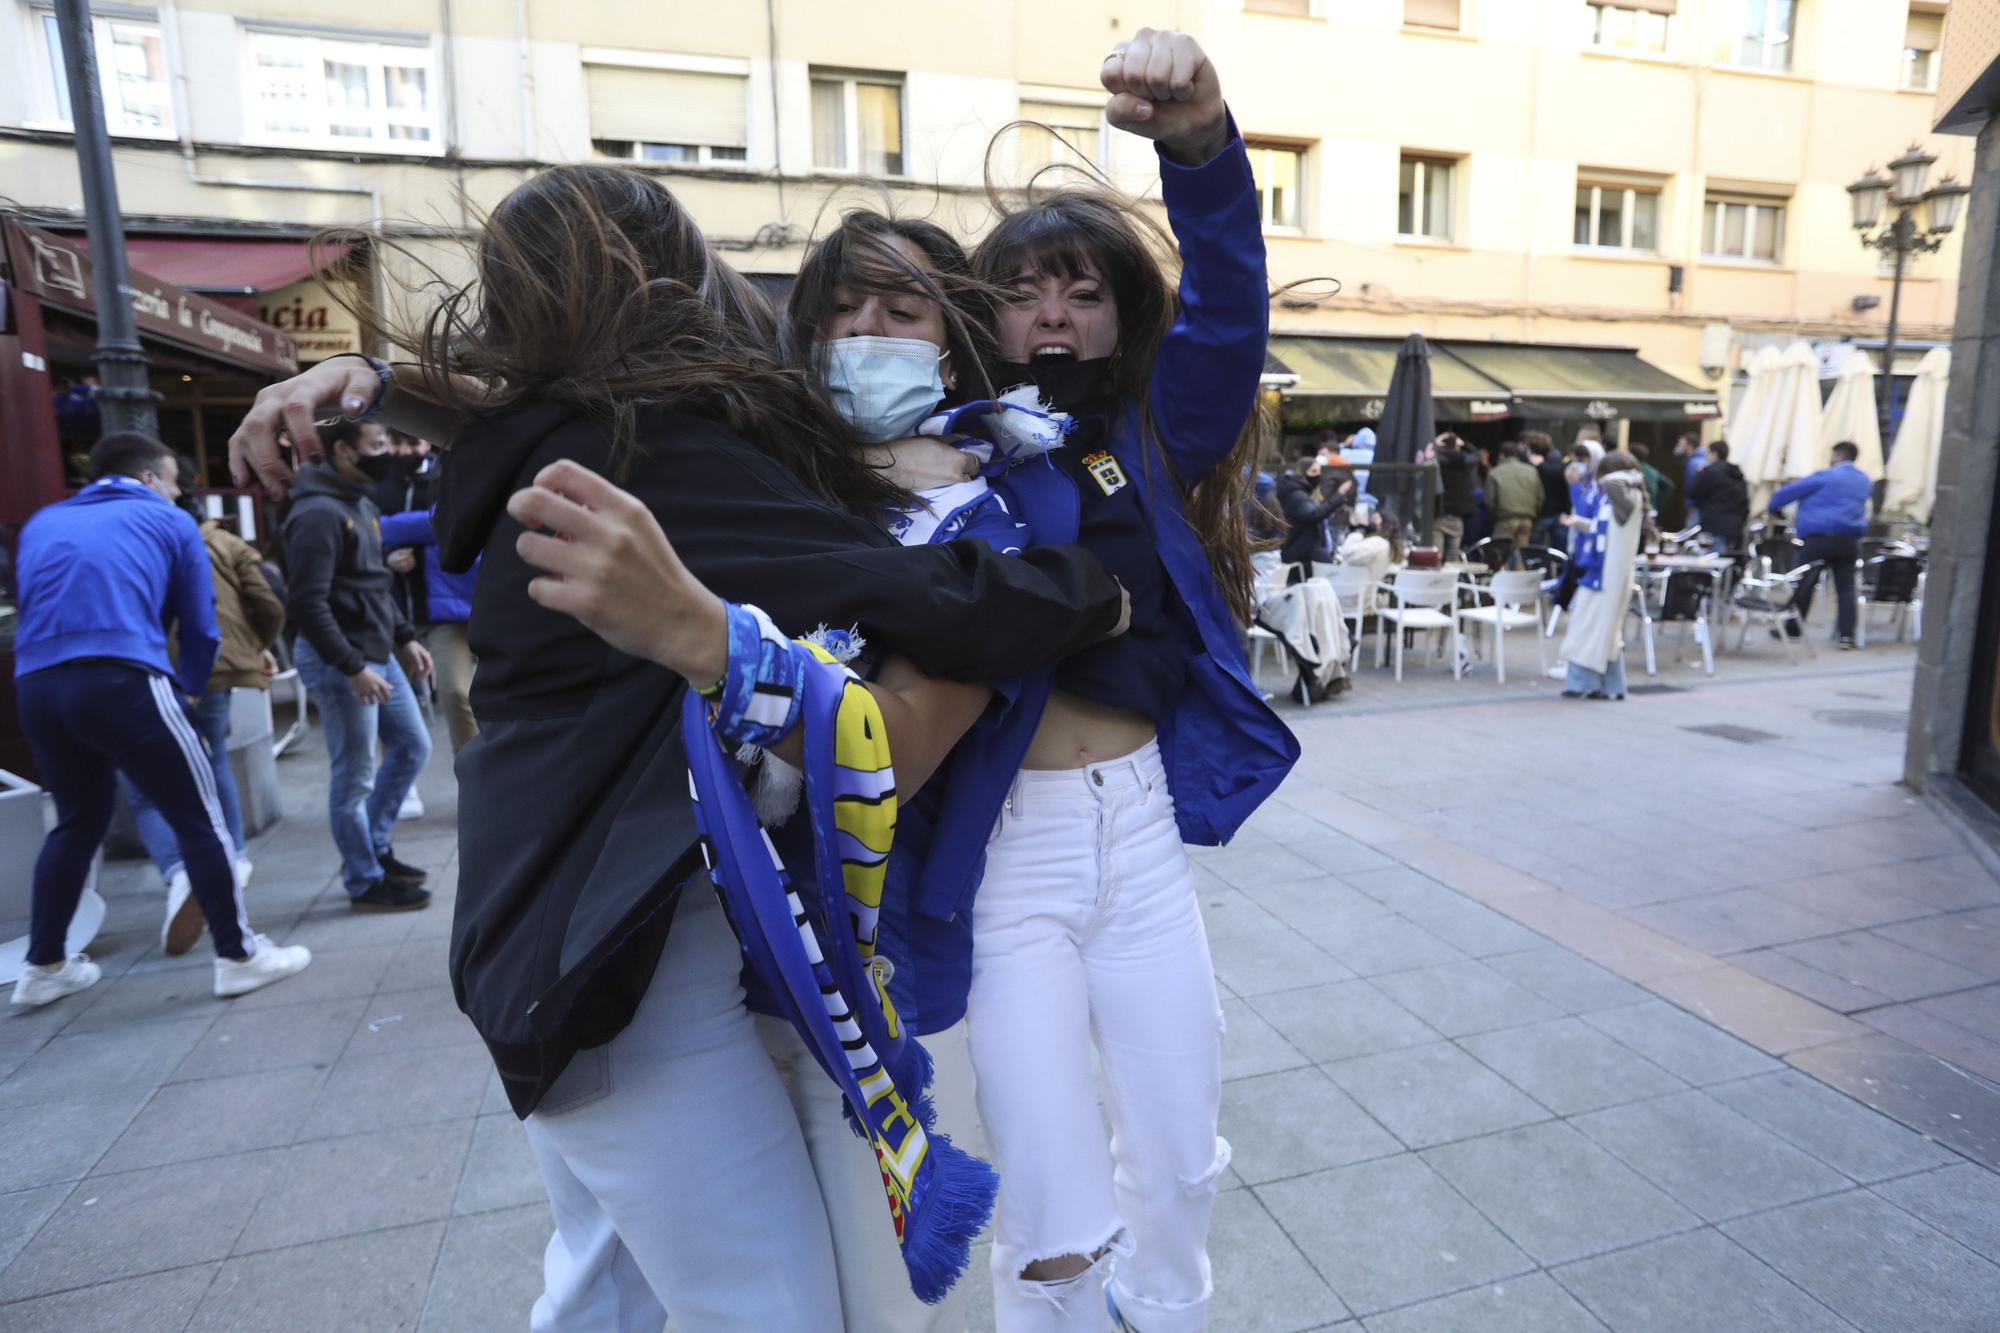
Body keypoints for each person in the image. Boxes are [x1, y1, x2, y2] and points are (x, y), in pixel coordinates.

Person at [228, 167, 1127, 1330]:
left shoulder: (544, 440)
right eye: (841, 314)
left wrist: (395, 386)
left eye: (900, 316)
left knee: (608, 1293)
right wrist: (1096, 586)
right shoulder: (655, 454)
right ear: (664, 284)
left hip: (590, 954)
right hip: (624, 979)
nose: (860, 339)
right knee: (765, 1307)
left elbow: (541, 411)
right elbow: (933, 606)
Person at [940, 32, 1296, 1331]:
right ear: (981, 313)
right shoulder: (925, 453)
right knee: (1048, 1203)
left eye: (1083, 290)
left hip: (1140, 840)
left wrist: (1198, 146)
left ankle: (1169, 1313)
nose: (1053, 312)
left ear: (1118, 313)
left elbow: (1229, 314)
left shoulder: (1153, 430)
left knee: (1183, 1159)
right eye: (1026, 288)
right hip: (1008, 865)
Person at [12, 433, 309, 1007]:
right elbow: (200, 627)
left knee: (76, 823)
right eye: (175, 482)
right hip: (123, 675)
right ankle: (239, 956)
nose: (179, 494)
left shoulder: (42, 522)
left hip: (37, 683)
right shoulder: (166, 520)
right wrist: (191, 695)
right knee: (204, 818)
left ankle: (43, 966)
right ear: (150, 479)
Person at [122, 455, 283, 955]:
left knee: (146, 788)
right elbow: (270, 599)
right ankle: (230, 860)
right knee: (212, 765)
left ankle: (179, 875)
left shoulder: (132, 539)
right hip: (212, 668)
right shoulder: (220, 539)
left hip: (151, 672)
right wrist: (258, 646)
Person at [282, 418, 437, 911]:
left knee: (413, 746)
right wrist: (351, 667)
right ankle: (363, 879)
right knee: (354, 778)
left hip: (374, 654)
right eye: (377, 445)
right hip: (341, 662)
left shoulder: (361, 502)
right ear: (344, 451)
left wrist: (405, 638)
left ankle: (375, 847)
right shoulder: (318, 515)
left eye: (390, 442)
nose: (387, 453)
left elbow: (373, 585)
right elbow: (307, 603)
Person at [381, 443, 480, 755]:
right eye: (393, 442)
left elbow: (454, 521)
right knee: (386, 699)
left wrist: (402, 530)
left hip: (445, 611)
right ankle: (396, 782)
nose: (403, 450)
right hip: (390, 608)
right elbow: (362, 534)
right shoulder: (375, 482)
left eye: (411, 442)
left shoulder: (448, 474)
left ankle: (472, 775)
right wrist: (386, 556)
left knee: (457, 693)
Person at [1558, 451, 1648, 699]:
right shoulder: (1628, 495)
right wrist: (1578, 521)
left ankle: (1584, 684)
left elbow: (1611, 483)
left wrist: (1620, 474)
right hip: (1608, 571)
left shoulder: (1624, 492)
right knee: (1605, 630)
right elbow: (1604, 529)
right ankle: (1610, 685)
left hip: (1605, 574)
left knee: (1588, 626)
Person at [1769, 440, 1871, 649]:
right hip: (1849, 540)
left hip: (1819, 538)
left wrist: (1774, 508)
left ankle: (1794, 629)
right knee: (1846, 588)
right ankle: (1846, 636)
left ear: (1837, 455)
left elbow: (1785, 493)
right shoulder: (1863, 480)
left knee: (1806, 583)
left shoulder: (1826, 476)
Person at [1276, 450, 1351, 571]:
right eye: (1314, 471)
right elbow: (1314, 515)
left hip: (1305, 546)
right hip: (1300, 548)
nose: (1318, 475)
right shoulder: (1297, 494)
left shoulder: (1305, 492)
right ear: (1302, 473)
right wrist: (1339, 495)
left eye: (1319, 471)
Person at [1685, 439, 1748, 553]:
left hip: (1712, 526)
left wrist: (1699, 473)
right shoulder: (1737, 474)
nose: (1706, 456)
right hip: (1734, 529)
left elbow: (1692, 492)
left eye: (1708, 453)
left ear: (1715, 453)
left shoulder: (1709, 472)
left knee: (1707, 565)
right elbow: (1745, 504)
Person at [1485, 440, 1541, 556]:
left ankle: (1502, 573)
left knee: (1500, 555)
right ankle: (1520, 572)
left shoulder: (1495, 472)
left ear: (1502, 455)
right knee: (1521, 554)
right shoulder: (1532, 471)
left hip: (1505, 519)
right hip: (1527, 519)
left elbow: (1489, 501)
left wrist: (1495, 515)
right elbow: (1540, 497)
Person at [1432, 432, 1480, 560]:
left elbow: (1429, 454)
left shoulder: (1438, 461)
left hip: (1439, 513)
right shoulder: (1466, 462)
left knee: (1435, 555)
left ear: (1442, 446)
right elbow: (1476, 455)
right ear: (1457, 446)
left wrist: (1434, 443)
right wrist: (1465, 444)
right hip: (1458, 516)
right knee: (1453, 557)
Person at [1526, 431, 1570, 552]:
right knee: (1559, 549)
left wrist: (1540, 466)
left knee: (1536, 548)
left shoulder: (1547, 464)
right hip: (1559, 511)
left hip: (1545, 512)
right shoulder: (1558, 461)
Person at [1631, 441, 1673, 516]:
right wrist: (1656, 504)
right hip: (1651, 509)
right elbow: (1669, 485)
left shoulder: (1634, 470)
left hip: (1641, 510)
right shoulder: (1651, 470)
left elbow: (1669, 485)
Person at [1675, 432, 1708, 524]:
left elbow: (1697, 487)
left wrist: (1692, 503)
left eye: (1680, 444)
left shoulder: (1695, 463)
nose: (1678, 447)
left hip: (1696, 506)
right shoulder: (1693, 461)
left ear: (1689, 445)